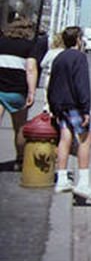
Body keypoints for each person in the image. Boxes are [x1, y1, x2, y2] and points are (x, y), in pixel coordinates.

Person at [47, 26, 91, 202]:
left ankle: (62, 178)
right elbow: (81, 84)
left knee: (65, 138)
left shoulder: (59, 57)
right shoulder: (79, 58)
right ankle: (84, 183)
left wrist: (53, 107)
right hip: (75, 105)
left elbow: (52, 83)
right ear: (78, 39)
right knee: (85, 140)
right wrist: (86, 109)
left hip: (60, 105)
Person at [0, 16, 47, 170]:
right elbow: (31, 69)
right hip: (17, 91)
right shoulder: (29, 46)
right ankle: (19, 160)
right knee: (19, 128)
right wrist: (32, 92)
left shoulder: (1, 42)